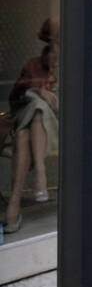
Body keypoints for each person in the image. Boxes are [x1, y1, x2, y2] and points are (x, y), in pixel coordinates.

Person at [3, 16, 59, 233]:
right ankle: (40, 177)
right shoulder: (33, 65)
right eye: (50, 44)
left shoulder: (69, 67)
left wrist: (50, 98)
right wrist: (37, 91)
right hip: (27, 123)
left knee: (35, 116)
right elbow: (15, 96)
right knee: (31, 119)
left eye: (57, 44)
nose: (53, 50)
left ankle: (13, 207)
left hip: (56, 127)